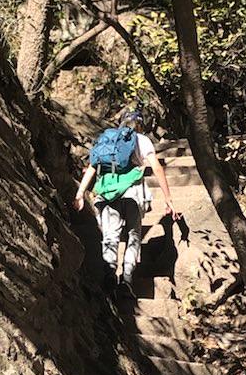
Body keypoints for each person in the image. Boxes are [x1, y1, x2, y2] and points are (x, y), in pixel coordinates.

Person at [73, 106, 175, 290]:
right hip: (133, 194)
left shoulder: (107, 141)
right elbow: (157, 168)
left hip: (108, 193)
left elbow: (92, 167)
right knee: (133, 235)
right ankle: (127, 280)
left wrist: (80, 194)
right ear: (140, 125)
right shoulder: (142, 140)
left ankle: (110, 272)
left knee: (110, 236)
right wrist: (168, 198)